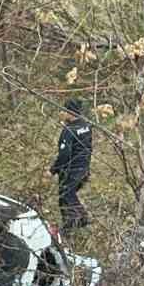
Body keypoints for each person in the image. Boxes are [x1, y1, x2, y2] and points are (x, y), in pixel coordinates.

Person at [49, 98, 93, 231]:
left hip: (71, 171)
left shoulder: (69, 130)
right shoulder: (86, 126)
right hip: (84, 170)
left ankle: (77, 222)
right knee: (67, 197)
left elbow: (64, 155)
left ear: (69, 112)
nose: (62, 113)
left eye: (64, 110)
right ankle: (72, 226)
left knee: (65, 196)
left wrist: (52, 170)